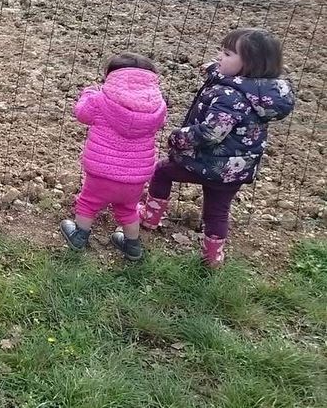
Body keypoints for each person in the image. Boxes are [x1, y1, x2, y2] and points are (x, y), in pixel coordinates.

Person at [139, 28, 294, 267]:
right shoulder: (262, 94)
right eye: (220, 51)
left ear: (249, 64)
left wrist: (178, 137)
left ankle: (149, 218)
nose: (220, 57)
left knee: (161, 171)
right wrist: (214, 68)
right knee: (217, 211)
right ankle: (213, 258)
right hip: (236, 169)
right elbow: (224, 75)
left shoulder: (229, 94)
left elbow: (211, 132)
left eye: (227, 54)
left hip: (205, 162)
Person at [60, 52, 167, 261]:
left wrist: (89, 92)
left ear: (112, 78)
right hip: (135, 177)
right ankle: (132, 246)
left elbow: (82, 113)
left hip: (101, 172)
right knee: (128, 210)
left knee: (88, 202)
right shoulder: (157, 108)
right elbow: (160, 124)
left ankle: (79, 236)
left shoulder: (99, 101)